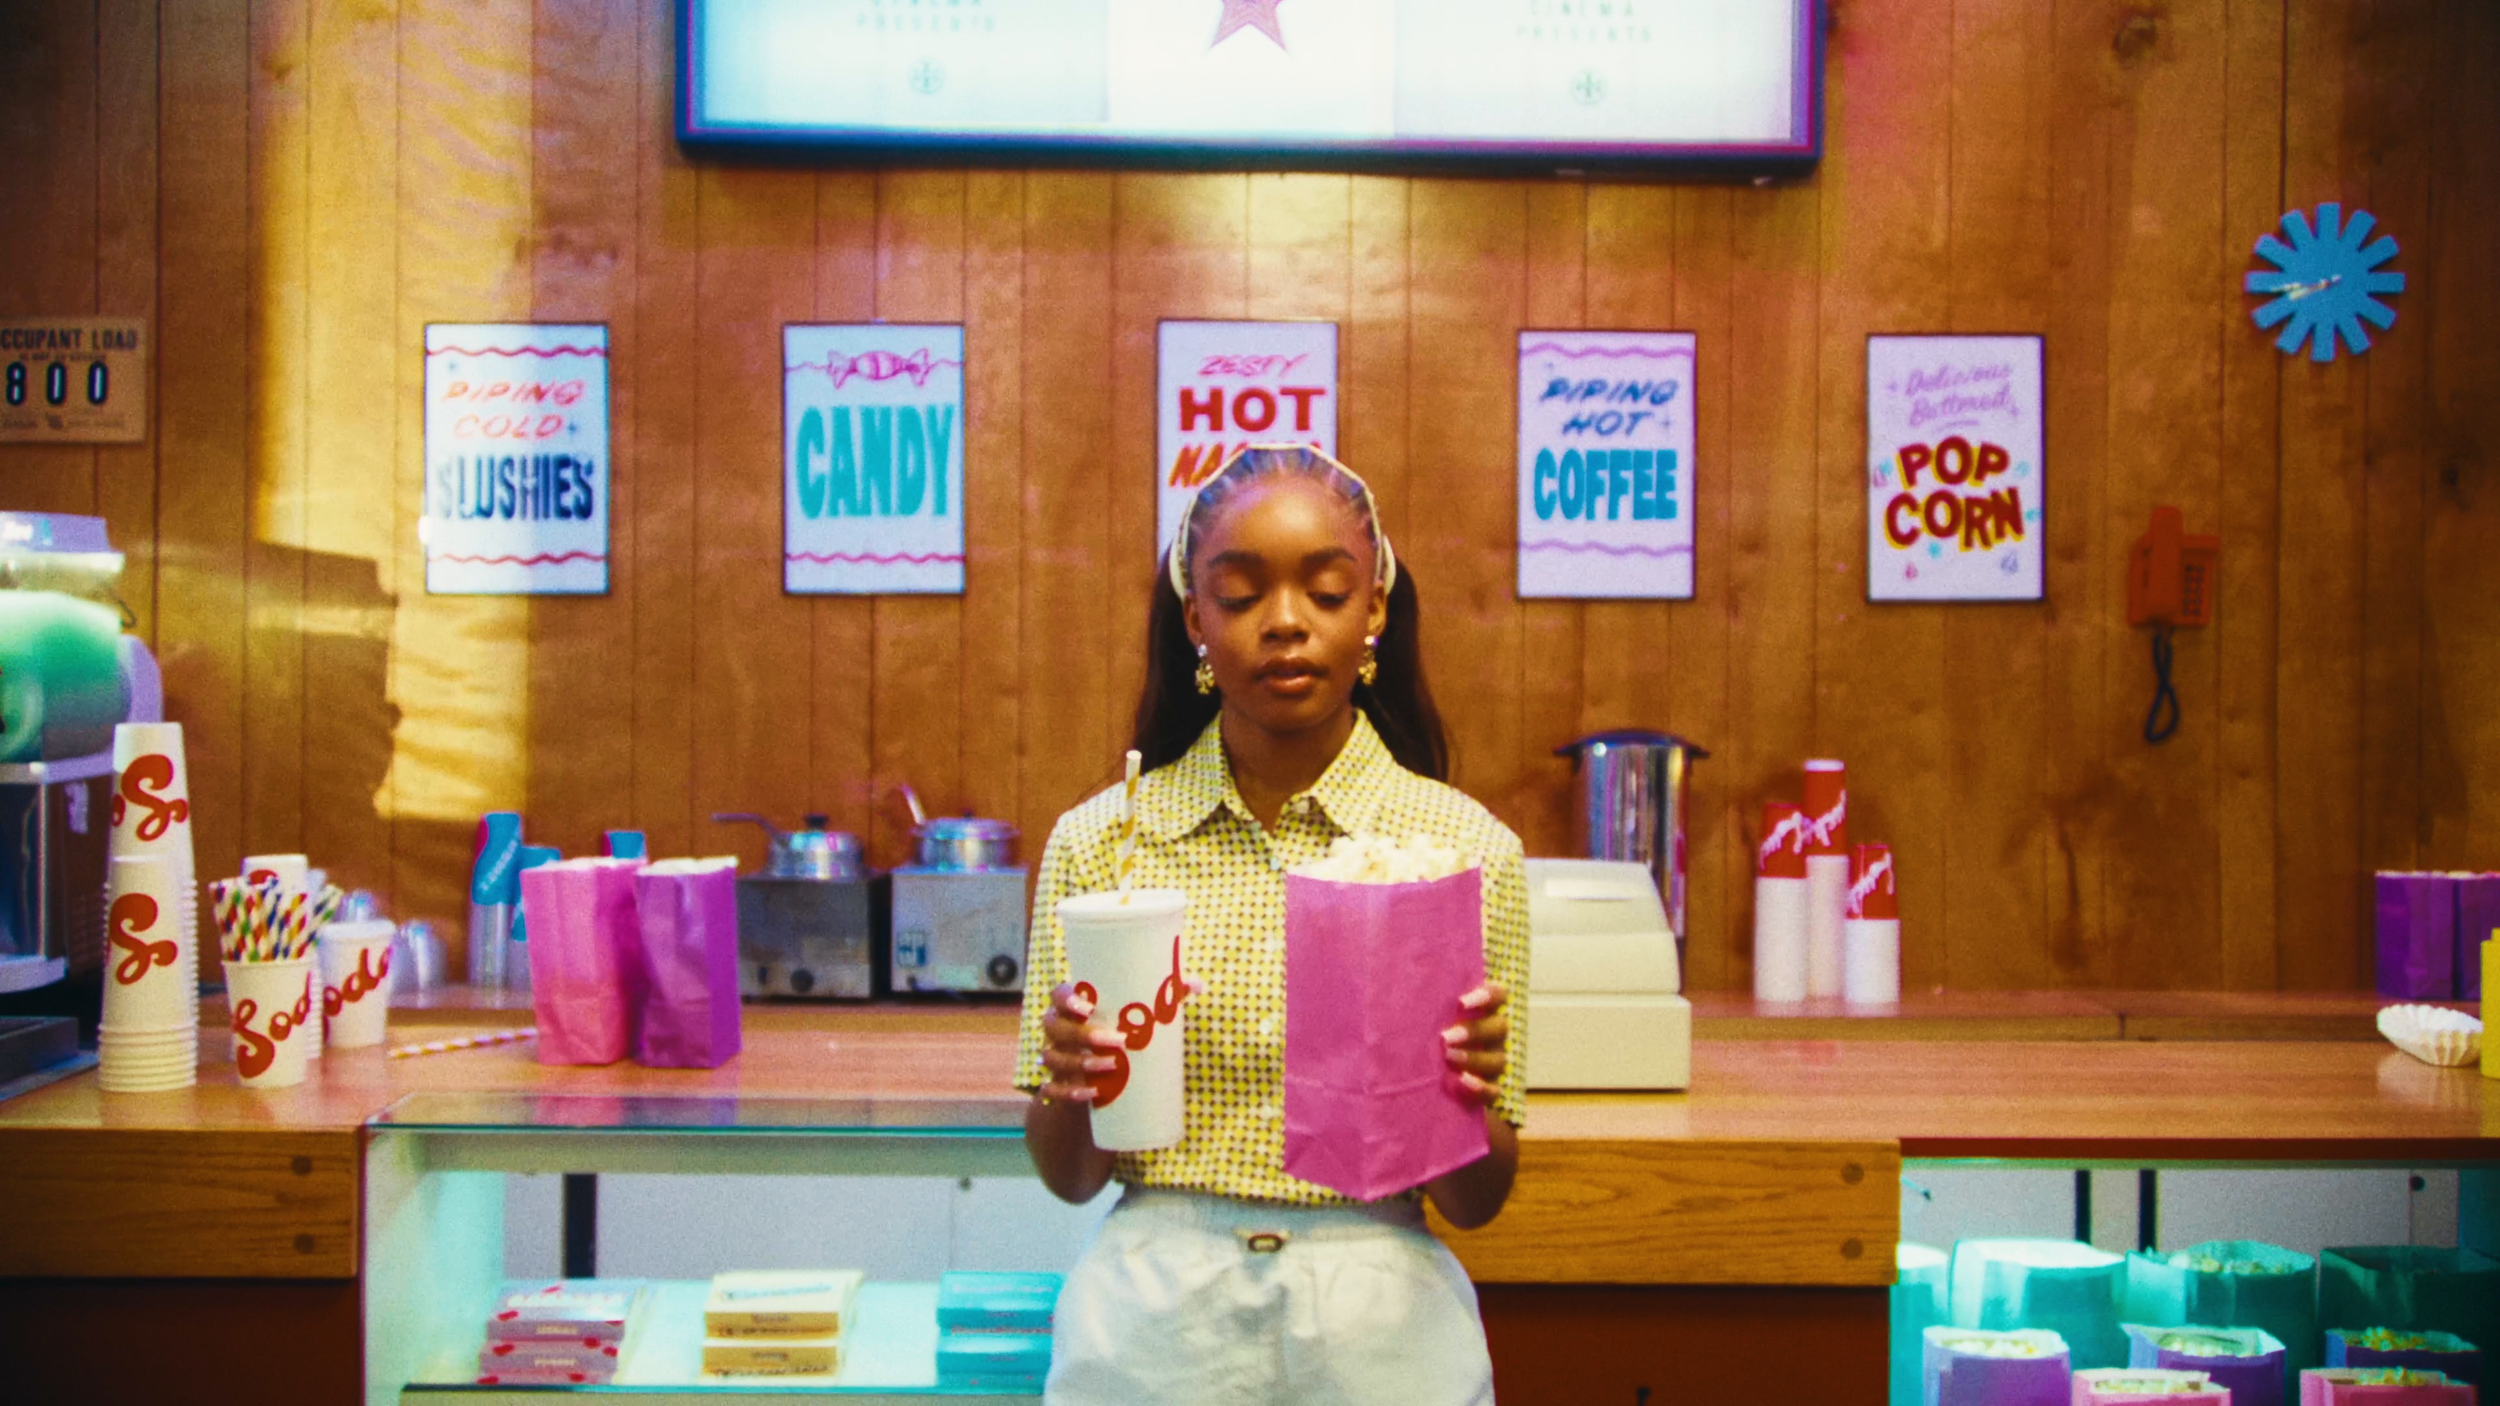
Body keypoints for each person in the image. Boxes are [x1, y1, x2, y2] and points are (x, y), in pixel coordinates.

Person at [1015, 445, 1530, 1405]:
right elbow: (1071, 1177)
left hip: (1384, 1322)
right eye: (1242, 594)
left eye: (1327, 593)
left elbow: (1477, 1201)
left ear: (1374, 608)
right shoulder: (1105, 845)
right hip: (1151, 1322)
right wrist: (1071, 1081)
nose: (1285, 624)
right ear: (1195, 620)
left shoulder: (1459, 851)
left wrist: (1466, 1094)